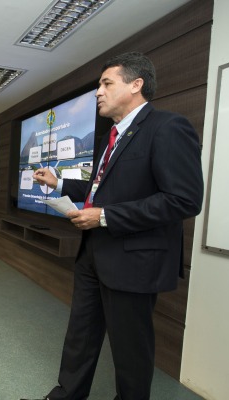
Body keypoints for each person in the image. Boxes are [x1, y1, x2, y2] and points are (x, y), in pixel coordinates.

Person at [30, 52, 204, 400]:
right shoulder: (110, 137)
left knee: (130, 350)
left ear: (136, 85)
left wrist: (104, 216)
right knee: (80, 334)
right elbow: (101, 189)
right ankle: (66, 395)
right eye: (99, 85)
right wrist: (59, 183)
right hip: (93, 254)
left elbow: (184, 200)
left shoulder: (168, 128)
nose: (98, 91)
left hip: (133, 261)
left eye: (107, 83)